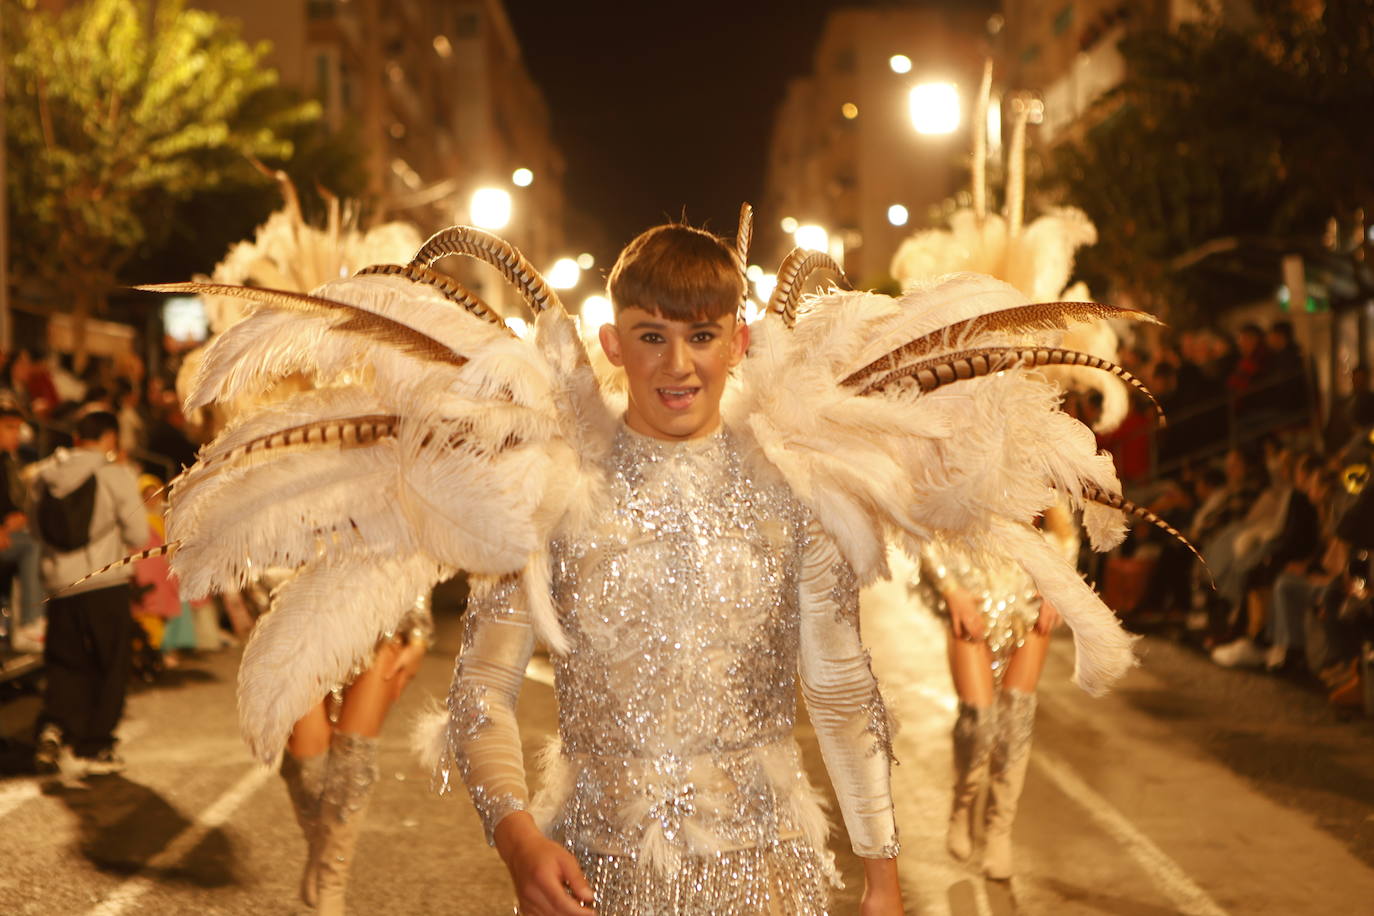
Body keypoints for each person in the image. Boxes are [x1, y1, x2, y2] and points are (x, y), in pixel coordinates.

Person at [441, 224, 904, 915]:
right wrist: (519, 842)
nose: (678, 365)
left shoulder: (798, 491)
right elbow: (479, 689)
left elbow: (839, 686)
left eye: (702, 336)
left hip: (765, 879)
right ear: (613, 344)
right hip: (592, 878)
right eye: (652, 336)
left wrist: (882, 878)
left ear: (738, 342)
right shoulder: (549, 490)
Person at [278, 592, 429, 916]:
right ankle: (320, 851)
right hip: (298, 626)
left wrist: (418, 638)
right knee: (307, 769)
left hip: (379, 626)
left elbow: (415, 554)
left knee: (353, 758)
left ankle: (332, 882)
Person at [32, 409, 148, 776]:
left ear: (77, 436)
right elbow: (139, 536)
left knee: (65, 661)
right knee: (110, 662)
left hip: (59, 583)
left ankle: (56, 726)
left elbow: (37, 531)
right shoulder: (114, 474)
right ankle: (95, 743)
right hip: (105, 580)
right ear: (110, 438)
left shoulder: (43, 476)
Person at [0, 392, 43, 653]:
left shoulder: (11, 461)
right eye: (8, 427)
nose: (16, 434)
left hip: (10, 535)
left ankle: (36, 622)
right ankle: (31, 622)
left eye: (18, 428)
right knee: (32, 546)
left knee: (43, 542)